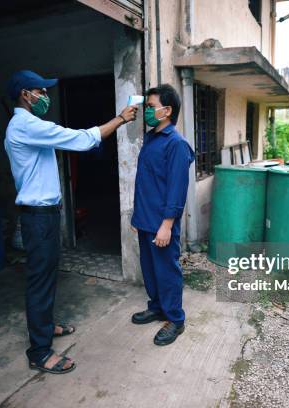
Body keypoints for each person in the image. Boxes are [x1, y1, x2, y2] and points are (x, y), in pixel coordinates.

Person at [4, 70, 137, 374]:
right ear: (26, 94)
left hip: (45, 214)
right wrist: (120, 119)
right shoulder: (26, 125)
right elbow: (79, 139)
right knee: (40, 281)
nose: (46, 97)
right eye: (42, 91)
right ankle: (39, 351)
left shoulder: (26, 126)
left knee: (48, 276)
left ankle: (46, 326)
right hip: (38, 217)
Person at [130, 84, 194, 346]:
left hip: (161, 223)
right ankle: (157, 307)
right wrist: (137, 218)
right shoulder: (151, 138)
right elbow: (147, 182)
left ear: (167, 111)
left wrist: (167, 225)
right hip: (145, 220)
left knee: (167, 271)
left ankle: (175, 319)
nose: (146, 111)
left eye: (150, 107)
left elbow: (176, 189)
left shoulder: (176, 144)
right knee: (150, 268)